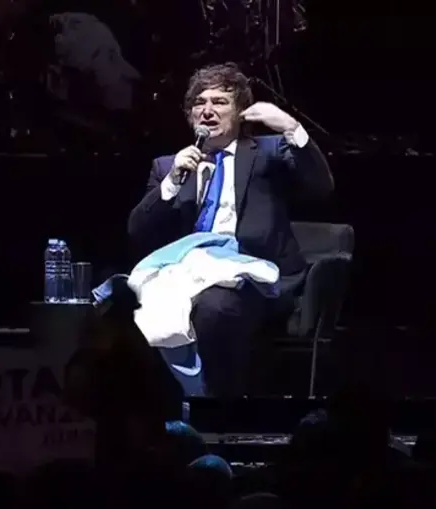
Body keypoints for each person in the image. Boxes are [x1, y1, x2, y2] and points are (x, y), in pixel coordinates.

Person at [127, 62, 333, 397]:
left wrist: (291, 127)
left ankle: (217, 408)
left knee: (215, 307)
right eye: (199, 103)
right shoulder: (168, 166)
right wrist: (172, 182)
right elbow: (137, 231)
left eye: (220, 102)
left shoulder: (268, 152)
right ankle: (156, 410)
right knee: (127, 307)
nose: (207, 110)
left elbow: (321, 186)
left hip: (254, 275)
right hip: (186, 275)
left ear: (241, 113)